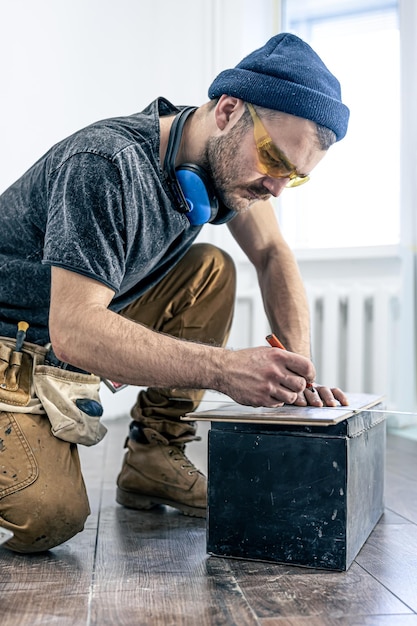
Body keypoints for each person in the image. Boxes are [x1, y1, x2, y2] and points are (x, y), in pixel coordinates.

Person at [0, 32, 350, 553]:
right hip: (19, 340)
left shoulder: (228, 168)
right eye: (274, 159)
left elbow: (274, 254)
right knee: (51, 515)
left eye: (293, 178)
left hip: (71, 326)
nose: (276, 187)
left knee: (209, 269)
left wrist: (297, 372)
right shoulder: (106, 165)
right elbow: (73, 330)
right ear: (228, 110)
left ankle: (154, 458)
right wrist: (225, 369)